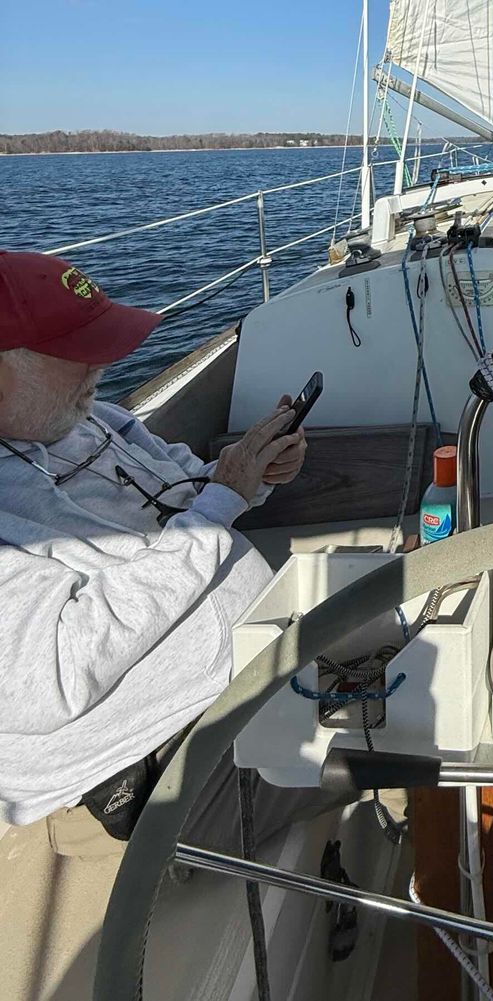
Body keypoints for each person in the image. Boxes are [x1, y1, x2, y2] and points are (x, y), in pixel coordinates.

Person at [0, 250, 312, 851]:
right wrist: (222, 500)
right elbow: (57, 673)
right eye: (78, 350)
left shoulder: (87, 419)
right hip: (170, 758)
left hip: (251, 666)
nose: (105, 365)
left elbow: (187, 490)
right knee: (439, 732)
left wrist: (255, 472)